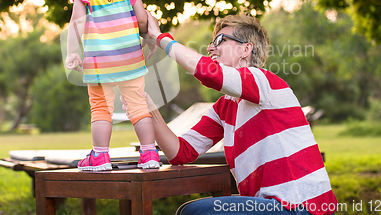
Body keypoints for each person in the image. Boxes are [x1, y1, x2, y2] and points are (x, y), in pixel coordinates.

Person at [141, 12, 338, 214]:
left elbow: (208, 72)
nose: (211, 48)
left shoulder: (264, 82)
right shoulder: (224, 108)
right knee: (192, 210)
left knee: (197, 212)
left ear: (246, 49)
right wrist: (148, 109)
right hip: (273, 206)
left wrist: (160, 37)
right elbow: (180, 152)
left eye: (220, 40)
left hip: (302, 206)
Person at [65, 0, 159, 171]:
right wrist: (149, 39)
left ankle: (100, 157)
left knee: (100, 109)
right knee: (138, 106)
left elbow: (76, 22)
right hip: (130, 59)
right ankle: (149, 154)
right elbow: (141, 19)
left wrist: (72, 52)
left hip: (98, 63)